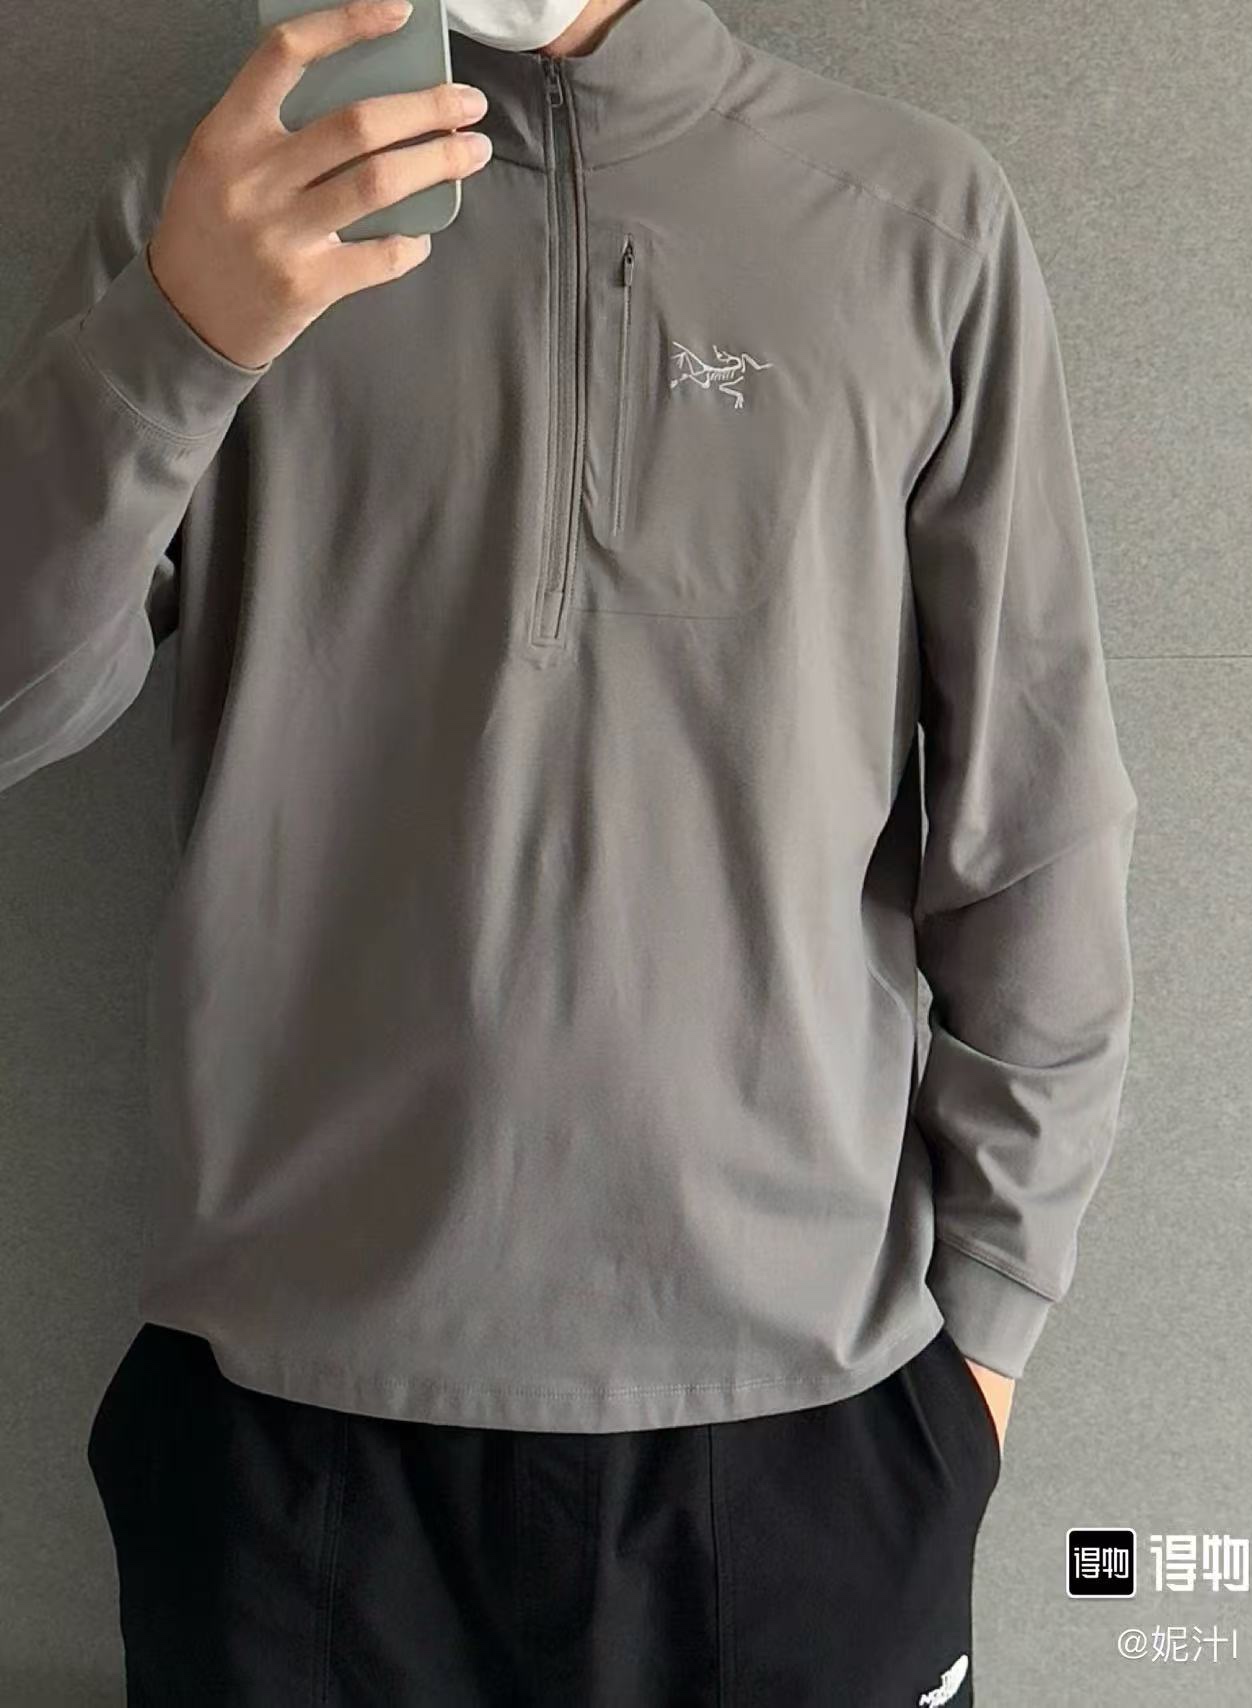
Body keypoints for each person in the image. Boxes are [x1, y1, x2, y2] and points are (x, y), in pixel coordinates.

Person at [0, 0, 1137, 1699]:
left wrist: (986, 1328)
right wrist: (179, 336)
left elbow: (1034, 816)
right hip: (289, 1440)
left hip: (810, 1434)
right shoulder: (220, 200)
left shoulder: (916, 215)